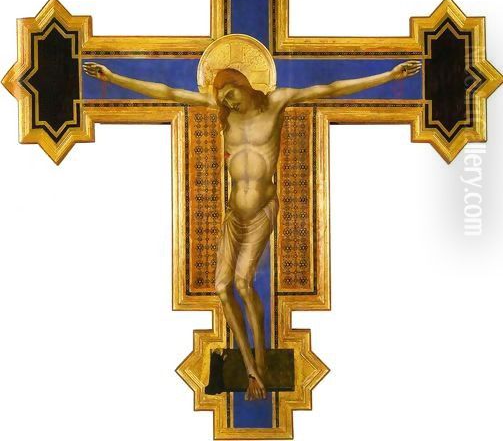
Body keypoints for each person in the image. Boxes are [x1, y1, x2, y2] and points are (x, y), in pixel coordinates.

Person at [83, 59, 421, 400]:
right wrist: (112, 77)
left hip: (262, 211)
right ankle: (250, 367)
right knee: (222, 287)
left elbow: (329, 90)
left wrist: (389, 75)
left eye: (231, 94)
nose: (228, 102)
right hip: (234, 216)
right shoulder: (224, 112)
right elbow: (168, 93)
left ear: (244, 85)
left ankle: (259, 362)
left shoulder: (276, 102)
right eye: (223, 98)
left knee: (244, 284)